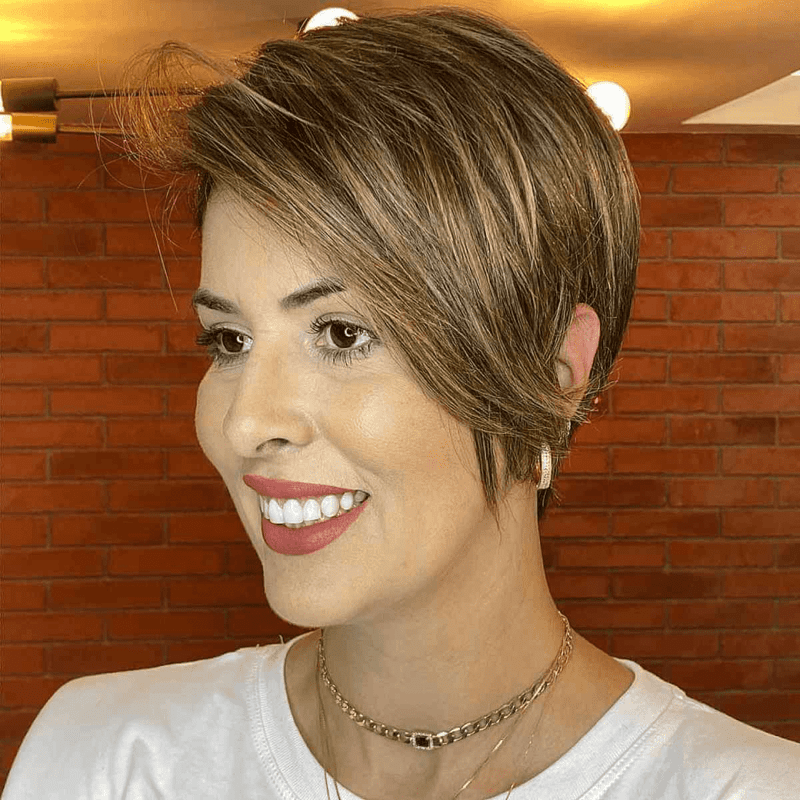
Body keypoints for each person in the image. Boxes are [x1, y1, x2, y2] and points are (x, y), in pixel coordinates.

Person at [3, 6, 798, 800]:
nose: (246, 424)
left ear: (554, 372)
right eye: (230, 340)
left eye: (342, 334)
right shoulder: (105, 761)